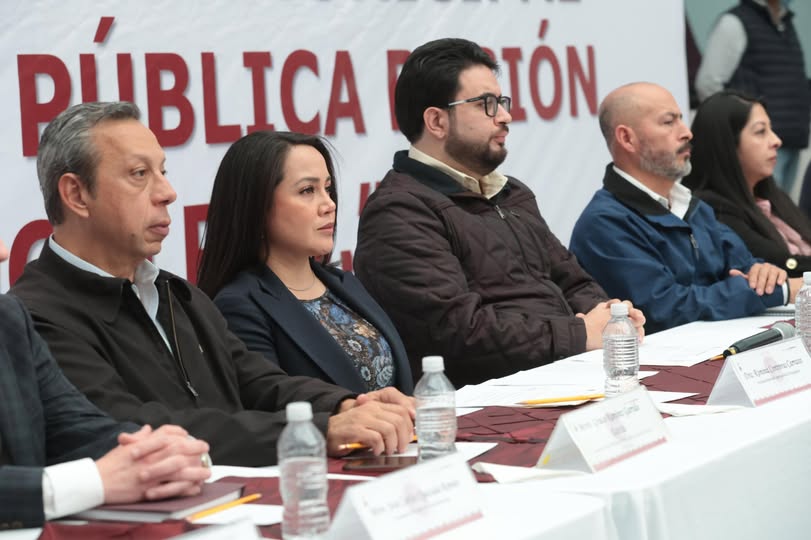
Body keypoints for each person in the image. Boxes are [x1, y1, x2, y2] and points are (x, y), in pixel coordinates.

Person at [10, 101, 415, 468]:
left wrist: (346, 405)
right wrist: (316, 431)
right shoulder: (36, 316)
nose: (167, 193)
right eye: (139, 175)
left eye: (163, 172)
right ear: (77, 195)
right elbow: (128, 424)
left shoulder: (175, 293)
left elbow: (256, 380)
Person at [353, 38, 644, 388]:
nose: (505, 117)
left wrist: (611, 318)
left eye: (502, 102)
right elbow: (457, 330)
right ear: (437, 121)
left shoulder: (511, 193)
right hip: (489, 398)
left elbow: (572, 280)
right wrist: (580, 333)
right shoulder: (399, 211)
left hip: (562, 372)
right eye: (486, 105)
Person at [0, 242, 210, 528]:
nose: (3, 252)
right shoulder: (40, 308)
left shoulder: (8, 319)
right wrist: (95, 481)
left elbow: (77, 426)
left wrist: (165, 454)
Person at [570, 82, 800, 334]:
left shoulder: (692, 206)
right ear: (627, 138)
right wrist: (777, 290)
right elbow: (665, 308)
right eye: (669, 122)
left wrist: (765, 274)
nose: (687, 133)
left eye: (681, 119)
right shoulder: (604, 223)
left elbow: (746, 267)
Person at [197, 131, 413, 395]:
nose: (329, 204)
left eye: (328, 189)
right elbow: (270, 404)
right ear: (257, 206)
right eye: (307, 190)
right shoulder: (239, 306)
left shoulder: (344, 283)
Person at [683, 90, 811, 278]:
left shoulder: (772, 196)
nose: (776, 141)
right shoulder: (711, 210)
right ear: (726, 144)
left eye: (771, 129)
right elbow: (780, 263)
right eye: (761, 132)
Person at [695, 0, 810, 194]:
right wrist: (732, 132)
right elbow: (708, 84)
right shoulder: (734, 22)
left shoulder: (785, 22)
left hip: (791, 139)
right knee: (759, 205)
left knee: (781, 209)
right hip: (756, 144)